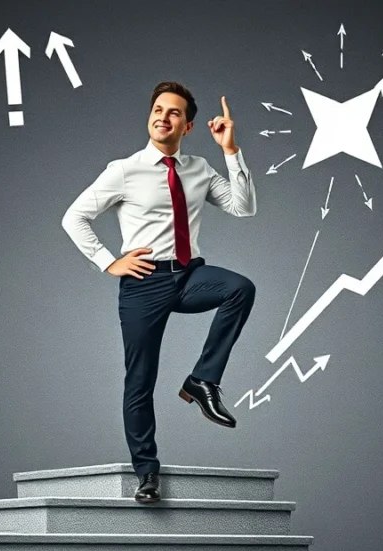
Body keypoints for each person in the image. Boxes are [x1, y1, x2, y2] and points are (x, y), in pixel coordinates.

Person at [61, 81, 257, 503]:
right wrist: (109, 261)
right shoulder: (124, 170)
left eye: (173, 113)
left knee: (240, 288)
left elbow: (244, 207)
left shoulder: (200, 169)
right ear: (149, 115)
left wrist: (230, 150)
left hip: (187, 275)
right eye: (157, 109)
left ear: (187, 126)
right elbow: (74, 217)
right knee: (140, 381)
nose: (162, 117)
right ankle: (147, 473)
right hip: (143, 285)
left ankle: (202, 381)